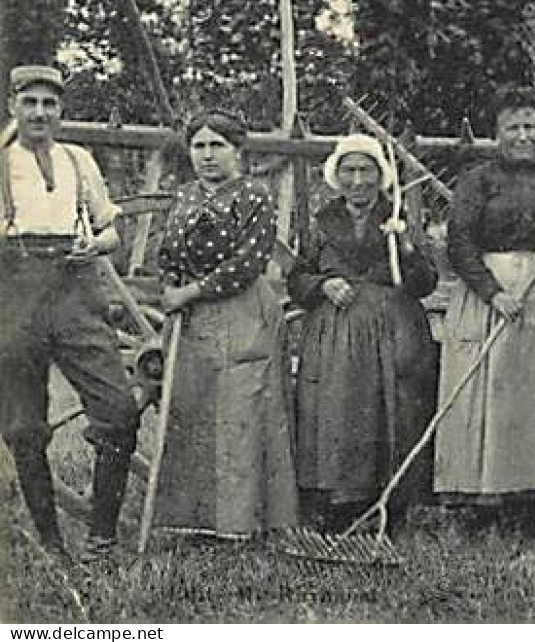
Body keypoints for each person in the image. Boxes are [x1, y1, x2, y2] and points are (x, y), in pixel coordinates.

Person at [435, 87, 535, 529]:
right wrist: (493, 293)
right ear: (497, 133)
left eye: (531, 126)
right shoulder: (478, 181)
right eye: (513, 127)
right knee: (490, 396)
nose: (523, 135)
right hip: (492, 299)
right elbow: (459, 243)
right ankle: (483, 500)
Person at [0, 65, 139, 561]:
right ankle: (52, 542)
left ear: (61, 111)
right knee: (22, 426)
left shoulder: (79, 160)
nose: (40, 113)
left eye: (49, 104)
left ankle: (101, 536)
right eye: (30, 102)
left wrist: (93, 245)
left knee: (120, 411)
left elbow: (112, 232)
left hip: (77, 291)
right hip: (14, 295)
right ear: (13, 105)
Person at [151, 110, 298, 540]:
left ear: (238, 151)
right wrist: (170, 285)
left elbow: (247, 263)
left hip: (242, 310)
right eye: (199, 146)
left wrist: (189, 291)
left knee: (241, 413)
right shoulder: (185, 196)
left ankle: (240, 523)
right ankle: (194, 520)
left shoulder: (254, 195)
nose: (208, 156)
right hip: (192, 319)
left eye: (218, 146)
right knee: (194, 410)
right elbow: (167, 252)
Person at [288, 134, 437, 531]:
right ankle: (336, 505)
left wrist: (405, 245)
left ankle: (390, 505)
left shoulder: (397, 218)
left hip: (392, 336)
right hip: (335, 341)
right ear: (337, 176)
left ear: (381, 175)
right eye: (349, 171)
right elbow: (297, 277)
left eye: (366, 170)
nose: (357, 180)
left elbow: (424, 283)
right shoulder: (322, 223)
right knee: (335, 413)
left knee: (391, 412)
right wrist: (323, 285)